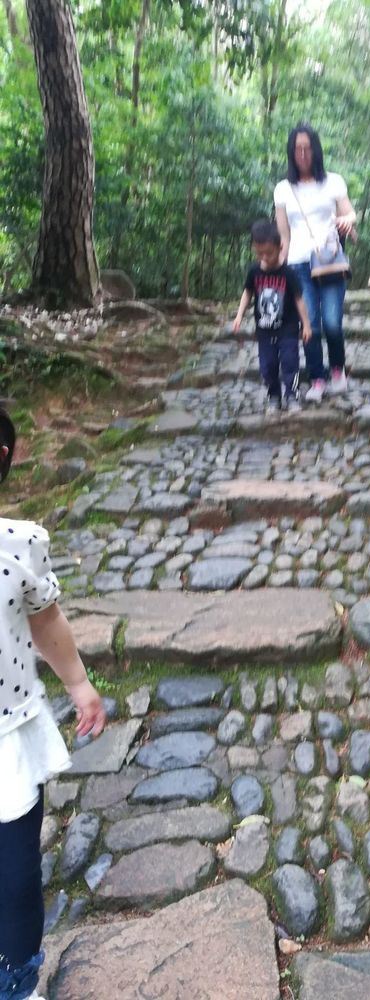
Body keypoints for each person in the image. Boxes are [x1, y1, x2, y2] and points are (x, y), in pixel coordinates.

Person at [0, 407, 106, 1000]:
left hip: (7, 740)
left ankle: (16, 980)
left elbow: (46, 621)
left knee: (14, 875)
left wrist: (78, 684)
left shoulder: (19, 546)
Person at [274, 123, 357, 404]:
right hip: (298, 264)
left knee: (332, 322)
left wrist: (347, 220)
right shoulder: (283, 189)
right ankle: (317, 377)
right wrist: (276, 270)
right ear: (291, 152)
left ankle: (337, 371)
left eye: (307, 148)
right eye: (297, 148)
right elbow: (283, 235)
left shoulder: (333, 181)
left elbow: (350, 213)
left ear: (316, 149)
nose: (302, 153)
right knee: (310, 326)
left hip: (329, 261)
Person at [233, 218, 313, 413]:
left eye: (269, 253)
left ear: (280, 247)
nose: (265, 258)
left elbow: (299, 298)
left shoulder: (288, 273)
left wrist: (307, 325)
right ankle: (273, 396)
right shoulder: (254, 271)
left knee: (289, 362)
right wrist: (239, 315)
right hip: (264, 330)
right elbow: (247, 293)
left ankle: (292, 395)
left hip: (288, 329)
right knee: (267, 366)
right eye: (260, 253)